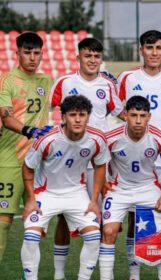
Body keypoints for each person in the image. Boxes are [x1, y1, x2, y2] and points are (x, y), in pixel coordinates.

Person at [49, 37, 124, 280]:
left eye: (96, 56)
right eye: (88, 56)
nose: (92, 60)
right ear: (78, 57)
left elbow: (122, 114)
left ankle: (102, 274)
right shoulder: (64, 82)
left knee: (102, 217)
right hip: (68, 162)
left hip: (98, 162)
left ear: (101, 59)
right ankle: (59, 274)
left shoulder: (107, 85)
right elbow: (48, 114)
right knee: (63, 217)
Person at [117, 30, 161, 277]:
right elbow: (118, 109)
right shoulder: (127, 77)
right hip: (136, 157)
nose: (154, 53)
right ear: (141, 50)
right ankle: (134, 274)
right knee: (133, 219)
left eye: (158, 48)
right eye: (149, 48)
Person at [21, 95, 109, 280]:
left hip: (76, 194)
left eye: (82, 115)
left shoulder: (97, 139)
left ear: (88, 116)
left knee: (94, 238)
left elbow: (100, 166)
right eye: (72, 115)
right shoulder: (47, 139)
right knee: (31, 238)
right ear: (63, 117)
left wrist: (94, 201)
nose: (77, 119)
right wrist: (30, 199)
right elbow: (28, 167)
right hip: (45, 193)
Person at [99, 95, 161, 280]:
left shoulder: (159, 136)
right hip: (119, 189)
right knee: (109, 231)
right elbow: (98, 161)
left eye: (143, 115)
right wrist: (103, 182)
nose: (138, 120)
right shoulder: (111, 137)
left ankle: (155, 277)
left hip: (148, 188)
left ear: (149, 116)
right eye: (134, 115)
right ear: (125, 115)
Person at [0, 32, 53, 264]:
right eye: (27, 52)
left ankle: (28, 274)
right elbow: (6, 118)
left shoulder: (46, 81)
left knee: (35, 221)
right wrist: (29, 131)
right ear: (18, 53)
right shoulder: (7, 80)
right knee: (3, 219)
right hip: (10, 160)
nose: (32, 57)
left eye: (36, 53)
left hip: (38, 163)